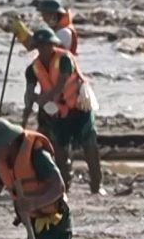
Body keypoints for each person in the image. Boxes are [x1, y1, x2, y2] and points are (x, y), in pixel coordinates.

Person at [22, 27, 103, 195]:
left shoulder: (65, 60)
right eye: (40, 46)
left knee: (89, 145)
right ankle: (64, 187)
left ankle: (97, 185)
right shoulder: (33, 68)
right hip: (59, 113)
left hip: (80, 107)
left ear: (53, 45)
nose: (44, 49)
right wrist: (30, 101)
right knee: (60, 149)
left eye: (47, 45)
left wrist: (42, 99)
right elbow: (30, 90)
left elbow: (59, 87)